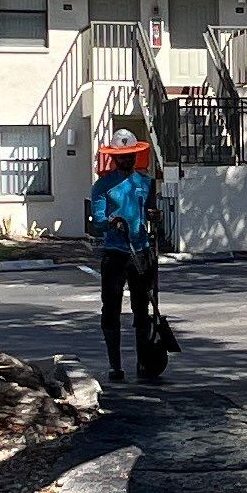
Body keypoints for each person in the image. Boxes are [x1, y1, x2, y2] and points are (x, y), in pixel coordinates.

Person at [87, 140, 171, 381]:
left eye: (130, 155)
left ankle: (144, 361)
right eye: (121, 156)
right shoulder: (103, 186)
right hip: (115, 252)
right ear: (114, 158)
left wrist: (155, 216)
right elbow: (98, 220)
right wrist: (111, 221)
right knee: (111, 307)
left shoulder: (145, 183)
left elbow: (150, 213)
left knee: (142, 309)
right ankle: (115, 365)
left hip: (141, 252)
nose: (126, 159)